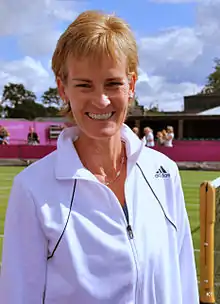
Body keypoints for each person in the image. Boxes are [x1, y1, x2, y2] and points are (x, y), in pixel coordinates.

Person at [0, 10, 199, 304]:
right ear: (62, 88)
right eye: (84, 85)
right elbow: (18, 296)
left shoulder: (165, 172)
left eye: (112, 83)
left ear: (130, 85)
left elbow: (184, 282)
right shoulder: (31, 188)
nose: (101, 100)